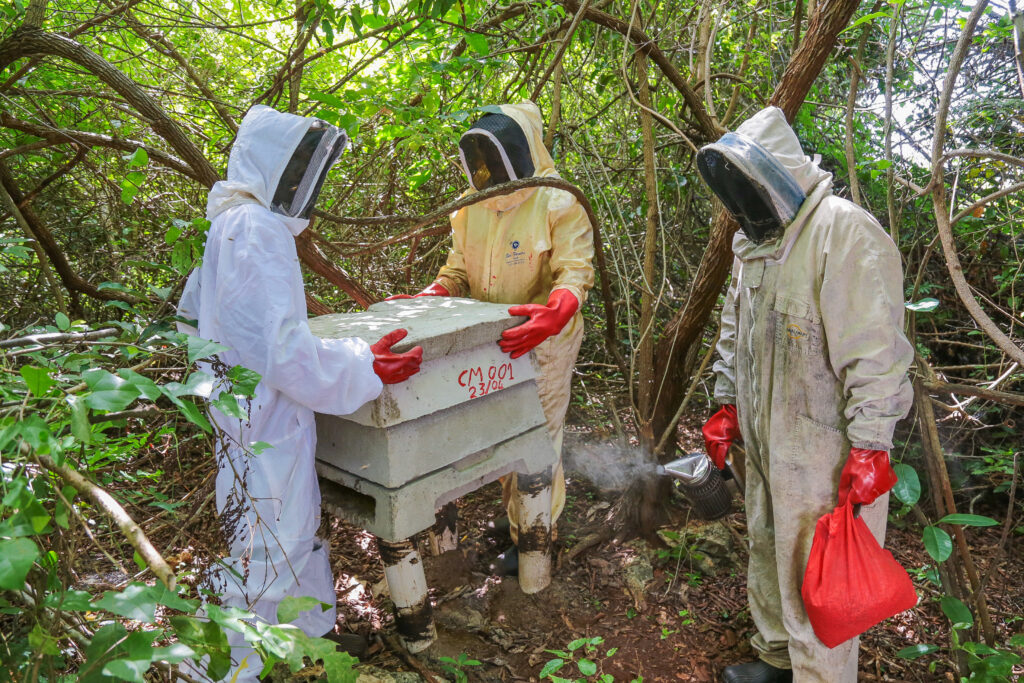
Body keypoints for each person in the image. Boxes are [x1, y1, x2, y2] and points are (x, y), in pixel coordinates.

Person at [178, 105, 422, 681]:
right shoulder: (257, 230)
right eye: (295, 173)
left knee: (291, 530)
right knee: (270, 546)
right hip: (267, 417)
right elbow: (284, 352)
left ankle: (311, 640)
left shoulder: (228, 221)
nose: (301, 188)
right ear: (271, 168)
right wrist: (365, 365)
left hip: (245, 412)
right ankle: (218, 670)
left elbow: (193, 317)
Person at [697, 106, 913, 683]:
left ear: (777, 176)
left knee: (820, 573)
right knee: (768, 545)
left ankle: (820, 677)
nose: (744, 201)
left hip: (827, 451)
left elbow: (875, 351)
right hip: (766, 435)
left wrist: (871, 444)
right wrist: (728, 401)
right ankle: (776, 659)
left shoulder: (843, 231)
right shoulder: (754, 246)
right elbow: (734, 330)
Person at [390, 102, 594, 572]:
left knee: (538, 435)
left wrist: (554, 315)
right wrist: (428, 297)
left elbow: (574, 273)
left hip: (545, 344)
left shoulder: (559, 201)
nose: (490, 168)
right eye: (482, 158)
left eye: (497, 157)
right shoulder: (470, 207)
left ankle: (536, 537)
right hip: (489, 341)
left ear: (526, 150)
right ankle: (517, 515)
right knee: (502, 430)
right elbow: (457, 271)